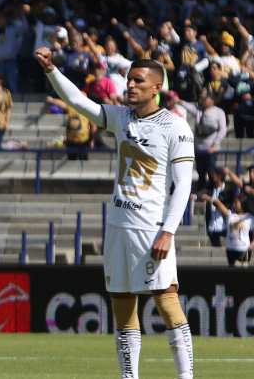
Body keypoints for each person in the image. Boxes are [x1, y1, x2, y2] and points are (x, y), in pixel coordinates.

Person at [38, 47, 195, 379]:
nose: (131, 86)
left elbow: (182, 186)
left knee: (167, 303)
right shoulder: (122, 118)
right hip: (118, 226)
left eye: (138, 80)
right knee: (122, 306)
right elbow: (80, 103)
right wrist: (52, 69)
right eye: (128, 80)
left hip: (151, 228)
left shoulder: (175, 128)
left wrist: (168, 230)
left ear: (157, 87)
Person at [204, 194, 254, 267]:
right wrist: (208, 198)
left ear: (243, 204)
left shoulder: (249, 217)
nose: (234, 205)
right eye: (234, 202)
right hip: (230, 249)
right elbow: (219, 204)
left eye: (237, 203)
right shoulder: (230, 215)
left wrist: (253, 242)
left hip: (243, 249)